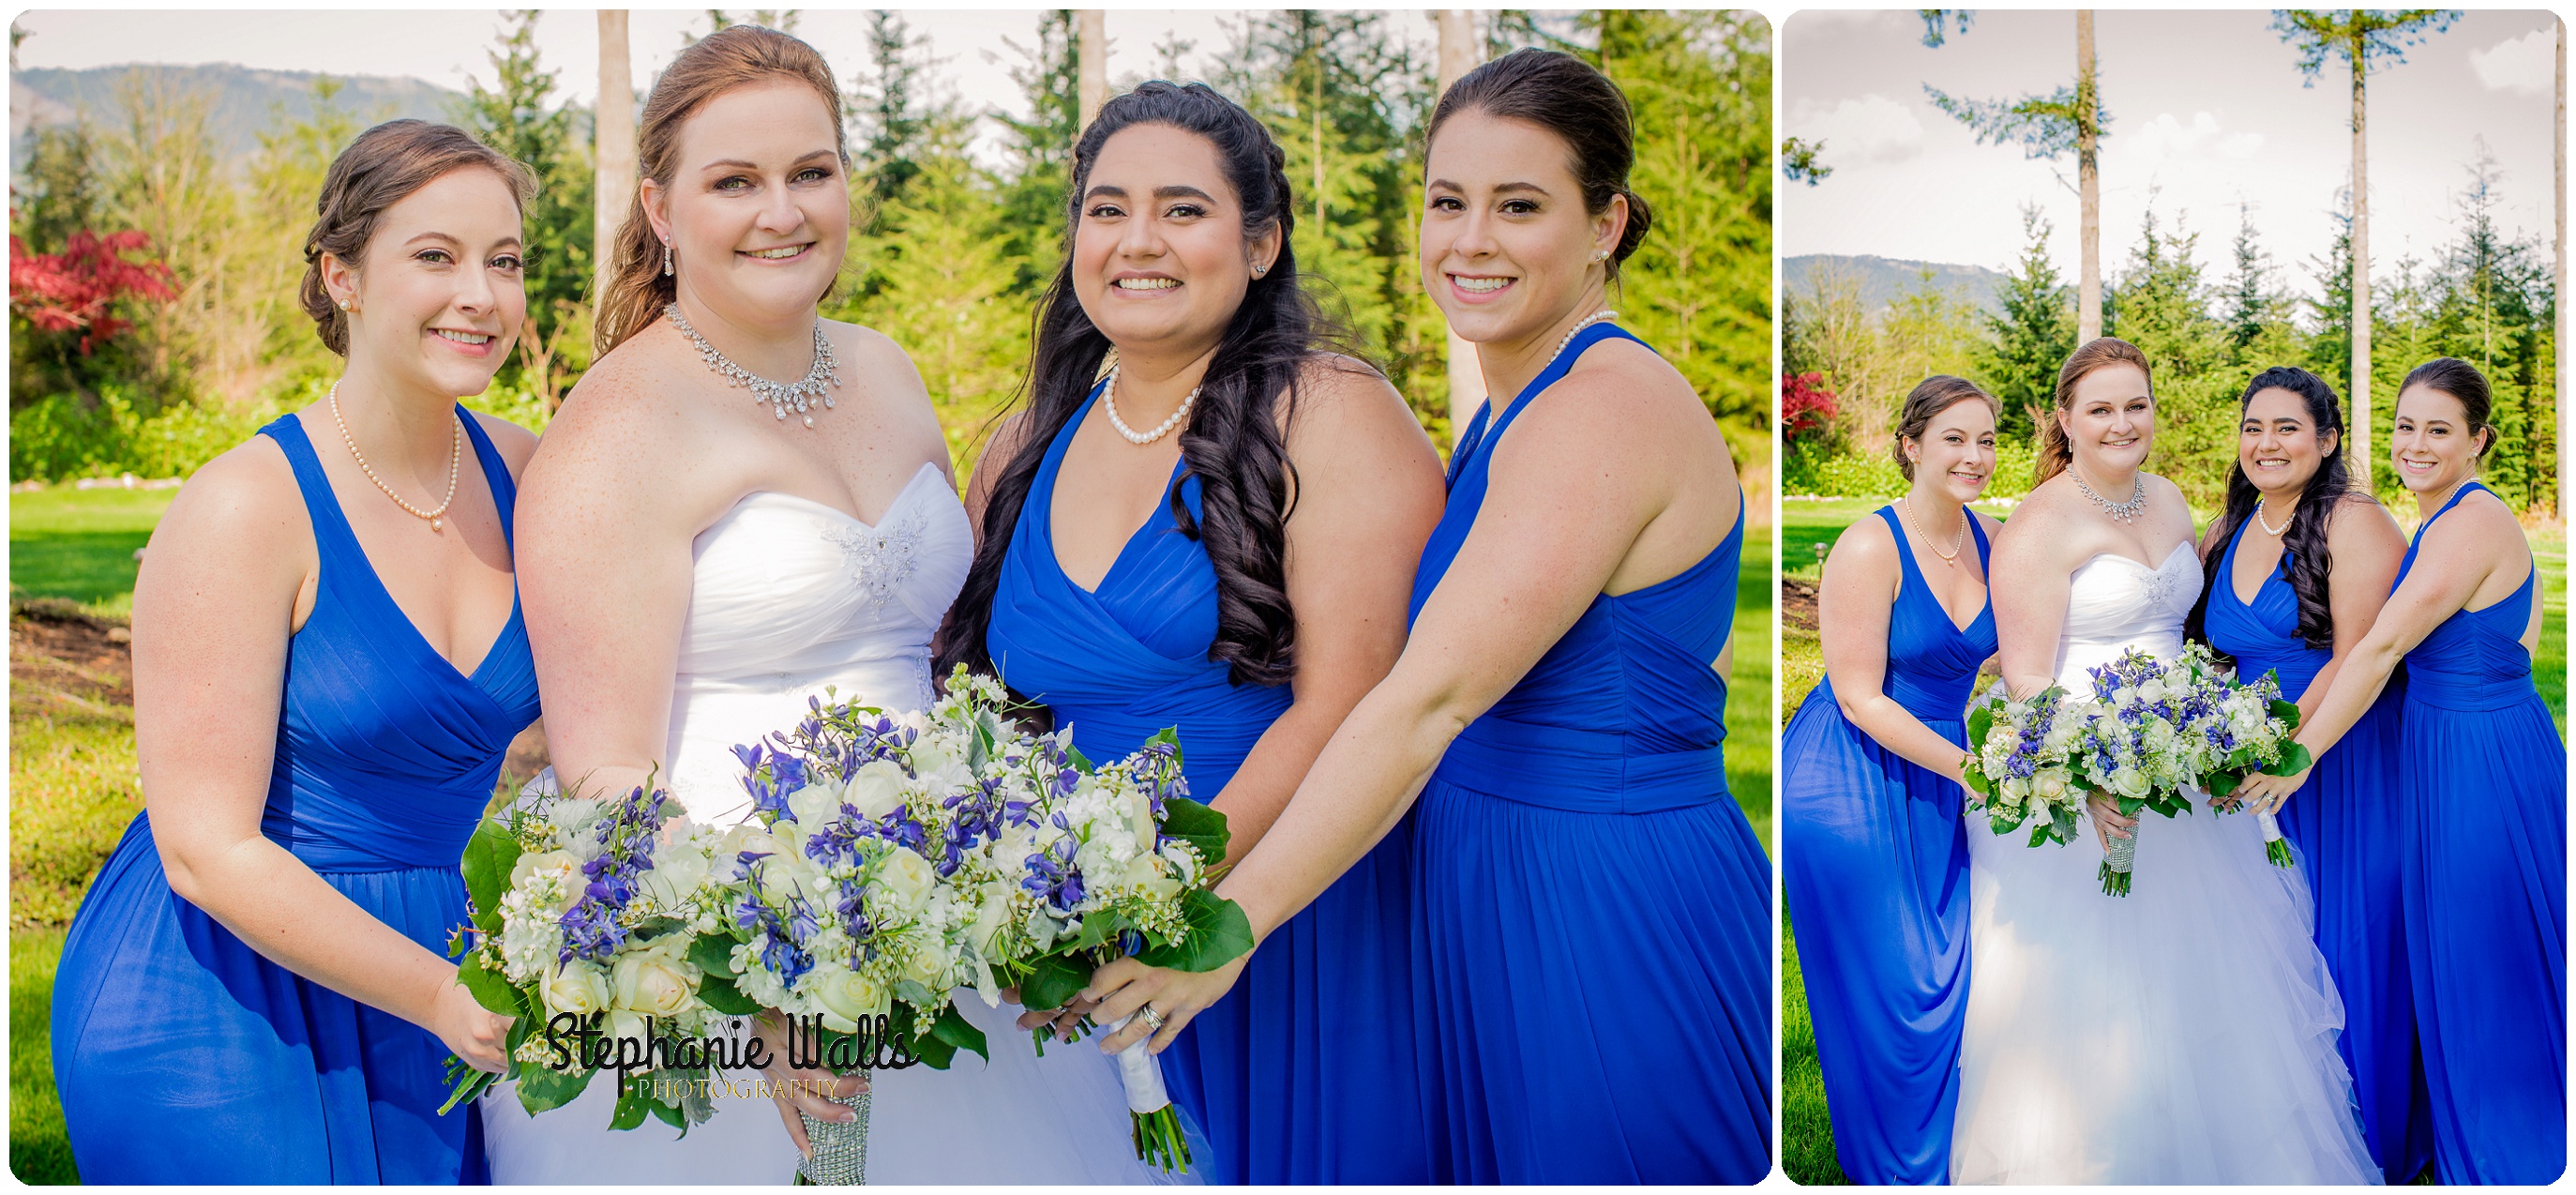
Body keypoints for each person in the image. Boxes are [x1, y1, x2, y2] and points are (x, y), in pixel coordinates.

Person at [1062, 49, 1769, 1183]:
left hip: (1596, 900)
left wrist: (1223, 930)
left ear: (1605, 224)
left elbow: (1423, 697)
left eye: (1519, 205)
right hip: (1484, 888)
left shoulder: (1605, 404)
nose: (1470, 240)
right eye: (1447, 202)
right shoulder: (1512, 405)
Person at [494, 26, 1165, 1185]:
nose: (782, 211)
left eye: (811, 172)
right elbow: (603, 769)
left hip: (939, 910)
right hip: (733, 949)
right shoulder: (617, 431)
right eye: (734, 182)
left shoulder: (884, 368)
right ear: (660, 208)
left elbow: (932, 648)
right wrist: (758, 978)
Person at [938, 80, 1445, 1183]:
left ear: (1259, 243)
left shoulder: (1327, 411)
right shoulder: (1021, 448)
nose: (1137, 241)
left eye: (1182, 209)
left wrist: (1168, 902)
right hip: (1077, 957)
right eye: (1107, 208)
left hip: (1290, 916)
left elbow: (1350, 702)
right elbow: (989, 713)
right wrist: (1035, 905)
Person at [50, 119, 539, 1183]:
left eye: (504, 261)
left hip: (441, 955)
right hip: (220, 986)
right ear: (342, 275)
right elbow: (205, 849)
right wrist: (438, 996)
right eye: (434, 256)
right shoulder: (243, 507)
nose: (482, 294)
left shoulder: (528, 476)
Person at [1951, 337, 2377, 1183]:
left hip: (2181, 765)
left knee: (2215, 978)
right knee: (2096, 989)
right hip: (2082, 774)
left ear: (2155, 412)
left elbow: (2187, 635)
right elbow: (2029, 673)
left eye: (2135, 406)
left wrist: (2203, 732)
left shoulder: (2173, 500)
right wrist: (2086, 779)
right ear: (2063, 421)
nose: (2120, 423)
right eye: (2099, 409)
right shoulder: (2037, 523)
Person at [2236, 357, 2566, 1185]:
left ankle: (2514, 1160)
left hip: (2479, 765)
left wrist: (2298, 758)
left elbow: (2379, 647)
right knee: (2452, 962)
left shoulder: (2469, 521)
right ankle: (2469, 1149)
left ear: (2477, 439)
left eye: (2438, 429)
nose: (2415, 444)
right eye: (2405, 426)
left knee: (2483, 957)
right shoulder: (2438, 519)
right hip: (2446, 753)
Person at [2184, 365, 2424, 1182]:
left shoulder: (2354, 522)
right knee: (2274, 953)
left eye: (2287, 428)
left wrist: (2283, 746)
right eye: (2253, 426)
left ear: (2325, 441)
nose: (2266, 443)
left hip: (2341, 756)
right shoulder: (2226, 531)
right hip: (2247, 771)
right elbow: (2210, 658)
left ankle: (2376, 1144)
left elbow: (2359, 654)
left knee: (2346, 942)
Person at [1783, 375, 2001, 1183]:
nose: (1972, 456)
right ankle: (1894, 1170)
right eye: (1952, 438)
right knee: (1894, 987)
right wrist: (1977, 770)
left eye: (1984, 439)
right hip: (1851, 776)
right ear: (1909, 444)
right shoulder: (1870, 544)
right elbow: (1857, 694)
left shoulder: (1992, 538)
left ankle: (1944, 1156)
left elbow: (2016, 654)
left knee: (1951, 971)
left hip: (1943, 765)